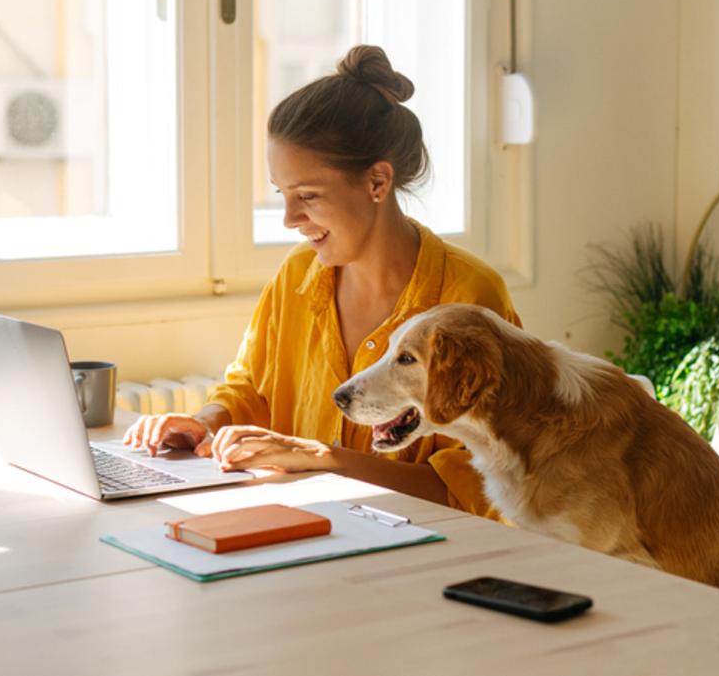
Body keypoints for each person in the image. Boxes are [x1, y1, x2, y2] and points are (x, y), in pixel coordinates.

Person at [123, 44, 520, 515]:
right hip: (303, 530)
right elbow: (251, 389)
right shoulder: (297, 275)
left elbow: (477, 490)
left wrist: (328, 461)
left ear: (377, 182)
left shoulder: (469, 296)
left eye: (307, 195)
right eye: (282, 195)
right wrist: (203, 423)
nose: (290, 218)